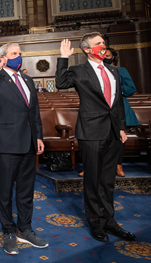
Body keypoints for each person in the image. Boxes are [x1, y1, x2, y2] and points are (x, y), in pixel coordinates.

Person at [56, 33, 135, 243]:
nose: (103, 46)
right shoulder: (79, 70)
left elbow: (117, 103)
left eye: (103, 42)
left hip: (112, 131)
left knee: (108, 180)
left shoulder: (113, 71)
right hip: (91, 131)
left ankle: (109, 220)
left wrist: (121, 128)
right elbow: (61, 83)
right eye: (98, 43)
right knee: (92, 180)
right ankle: (96, 223)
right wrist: (63, 58)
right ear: (87, 50)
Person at [0, 43, 47, 255]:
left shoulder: (27, 79)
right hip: (7, 144)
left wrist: (38, 137)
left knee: (26, 191)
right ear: (4, 58)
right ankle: (8, 231)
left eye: (20, 53)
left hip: (28, 143)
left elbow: (34, 112)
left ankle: (25, 228)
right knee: (6, 191)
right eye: (14, 54)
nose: (19, 57)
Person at [106, 47, 138, 177]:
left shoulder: (121, 70)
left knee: (119, 138)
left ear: (113, 57)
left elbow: (131, 88)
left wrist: (117, 90)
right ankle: (95, 165)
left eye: (108, 55)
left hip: (119, 106)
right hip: (103, 108)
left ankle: (118, 165)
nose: (105, 57)